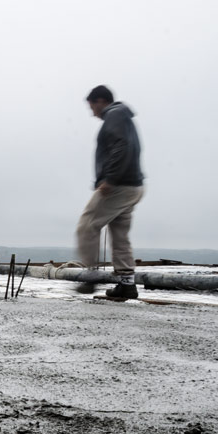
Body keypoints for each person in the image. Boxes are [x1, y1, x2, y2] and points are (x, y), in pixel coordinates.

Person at [75, 85, 145, 298]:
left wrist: (110, 179)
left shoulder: (114, 115)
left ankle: (90, 278)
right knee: (120, 235)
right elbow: (127, 146)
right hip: (133, 185)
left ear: (100, 101)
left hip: (119, 185)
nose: (92, 112)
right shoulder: (123, 116)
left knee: (86, 226)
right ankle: (126, 284)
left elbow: (122, 146)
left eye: (92, 106)